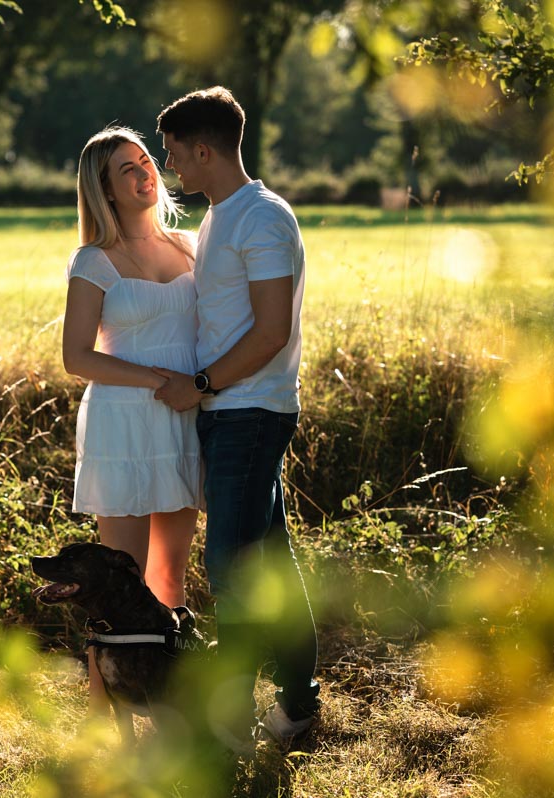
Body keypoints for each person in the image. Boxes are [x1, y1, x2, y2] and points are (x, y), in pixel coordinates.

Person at [153, 87, 320, 751]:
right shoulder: (219, 218)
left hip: (250, 412)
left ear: (203, 149)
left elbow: (271, 331)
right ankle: (298, 706)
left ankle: (230, 711)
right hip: (228, 412)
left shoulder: (263, 218)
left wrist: (199, 386)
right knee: (271, 566)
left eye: (174, 157)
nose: (172, 171)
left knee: (228, 566)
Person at [61, 126, 203, 715]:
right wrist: (158, 382)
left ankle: (171, 708)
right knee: (117, 587)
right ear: (105, 191)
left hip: (183, 419)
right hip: (125, 423)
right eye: (127, 168)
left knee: (171, 577)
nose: (146, 172)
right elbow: (76, 356)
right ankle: (100, 719)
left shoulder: (192, 245)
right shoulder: (94, 261)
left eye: (146, 160)